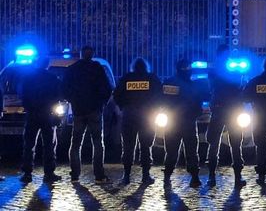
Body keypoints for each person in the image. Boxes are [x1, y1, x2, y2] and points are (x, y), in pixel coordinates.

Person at [63, 46, 113, 183]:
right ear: (92, 54)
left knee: (75, 144)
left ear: (81, 54)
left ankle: (74, 175)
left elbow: (64, 89)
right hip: (94, 110)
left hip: (78, 111)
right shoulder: (97, 68)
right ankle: (99, 175)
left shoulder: (72, 69)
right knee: (97, 143)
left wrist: (73, 102)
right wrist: (102, 104)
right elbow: (108, 88)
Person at [113, 57, 162, 185]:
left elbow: (116, 95)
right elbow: (159, 96)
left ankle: (126, 175)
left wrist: (123, 107)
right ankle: (146, 176)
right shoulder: (152, 79)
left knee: (128, 147)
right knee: (146, 146)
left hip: (129, 116)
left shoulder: (126, 78)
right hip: (147, 117)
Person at [162, 59, 208, 188]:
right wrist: (194, 115)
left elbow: (161, 100)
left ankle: (167, 176)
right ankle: (194, 178)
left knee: (171, 151)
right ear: (189, 71)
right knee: (191, 152)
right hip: (188, 123)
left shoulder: (168, 83)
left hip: (172, 123)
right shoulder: (193, 86)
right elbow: (199, 106)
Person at [206, 45, 246, 187]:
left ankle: (211, 177)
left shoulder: (213, 70)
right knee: (235, 144)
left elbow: (210, 88)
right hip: (232, 110)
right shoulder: (232, 70)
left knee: (214, 144)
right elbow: (241, 86)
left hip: (218, 110)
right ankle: (237, 178)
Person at [19, 57, 63, 183]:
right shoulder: (52, 78)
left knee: (29, 144)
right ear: (47, 64)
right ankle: (49, 173)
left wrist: (28, 107)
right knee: (49, 144)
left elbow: (23, 95)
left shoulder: (28, 78)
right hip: (47, 114)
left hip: (32, 114)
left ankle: (27, 173)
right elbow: (59, 95)